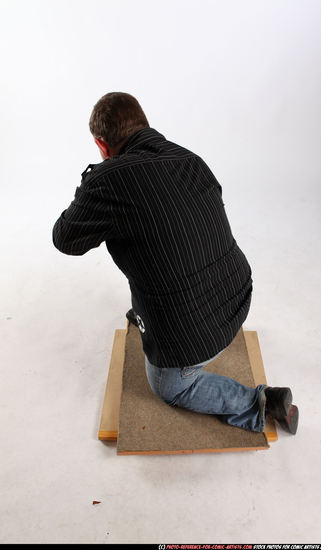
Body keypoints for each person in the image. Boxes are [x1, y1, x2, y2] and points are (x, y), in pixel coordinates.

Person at [52, 91, 299, 435]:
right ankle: (148, 319)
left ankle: (260, 402)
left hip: (192, 337)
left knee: (170, 388)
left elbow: (64, 239)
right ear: (144, 124)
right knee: (153, 241)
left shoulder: (107, 181)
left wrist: (94, 179)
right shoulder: (191, 159)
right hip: (239, 298)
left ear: (102, 144)